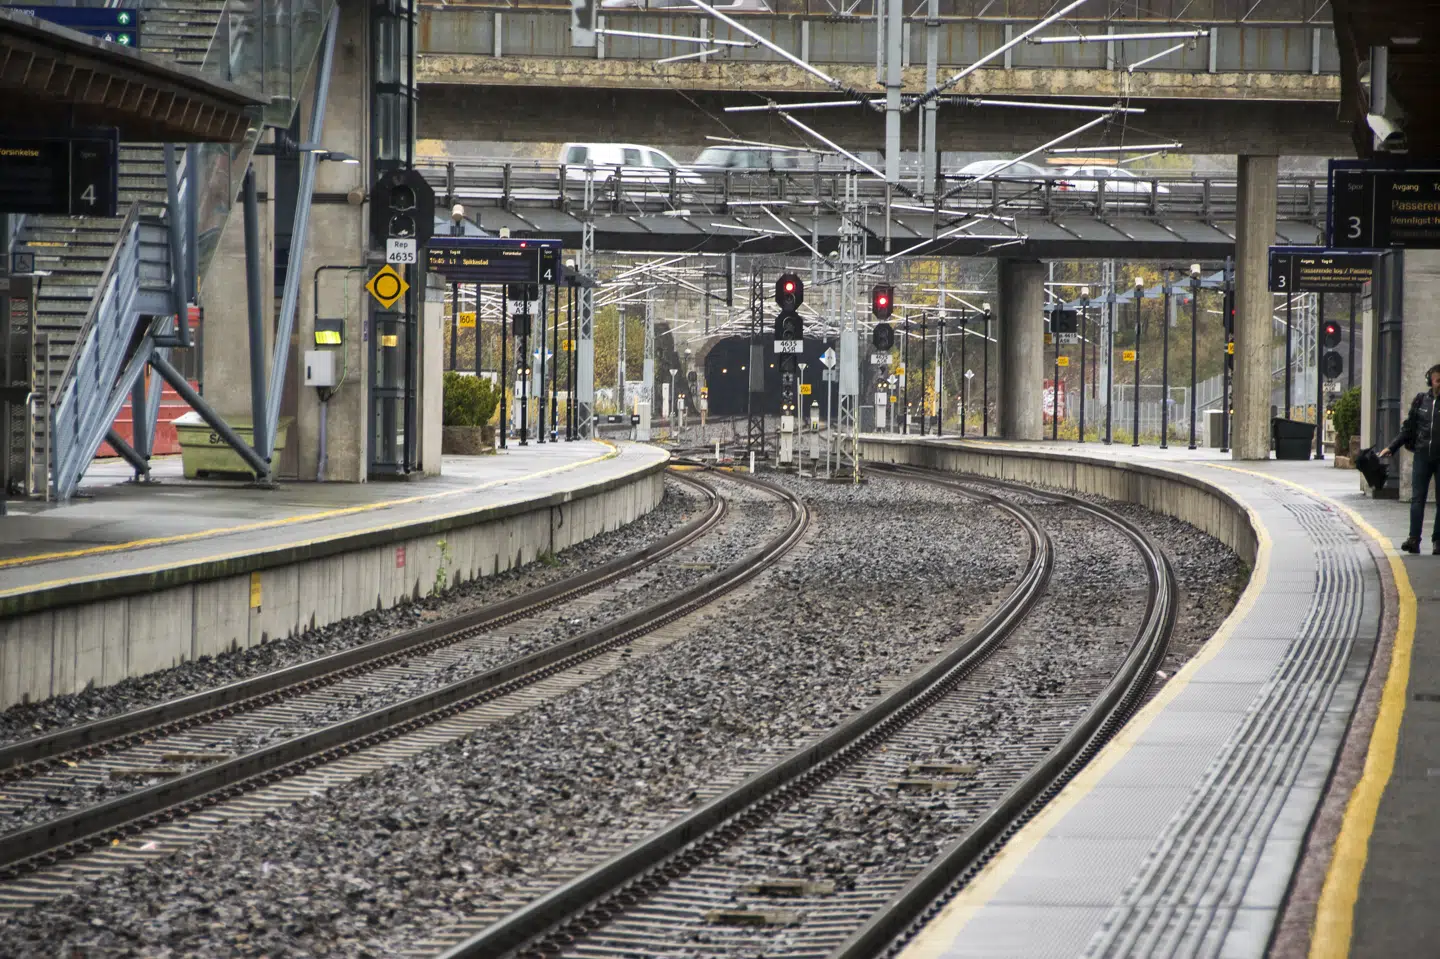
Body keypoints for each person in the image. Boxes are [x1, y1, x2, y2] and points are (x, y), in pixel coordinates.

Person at [1384, 363, 1440, 553]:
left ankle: (1438, 541)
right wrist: (1392, 447)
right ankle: (1413, 539)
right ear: (1430, 381)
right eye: (1438, 380)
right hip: (1422, 456)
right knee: (1417, 499)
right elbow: (1408, 429)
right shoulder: (1420, 401)